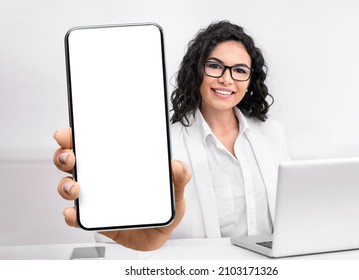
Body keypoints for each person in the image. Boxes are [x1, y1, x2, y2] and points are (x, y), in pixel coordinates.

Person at [53, 20, 290, 251]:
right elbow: (125, 238)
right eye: (215, 66)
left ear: (249, 81)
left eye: (239, 70)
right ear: (197, 71)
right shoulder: (162, 144)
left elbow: (293, 212)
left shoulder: (273, 134)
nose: (226, 78)